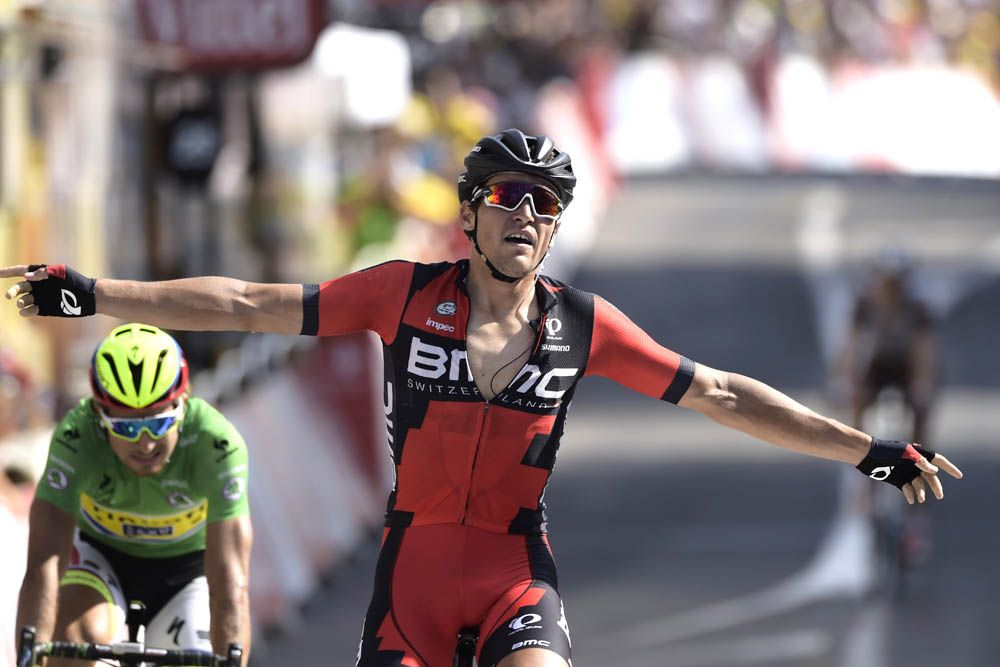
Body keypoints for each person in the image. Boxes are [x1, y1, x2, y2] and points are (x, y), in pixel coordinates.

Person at [3, 129, 961, 667]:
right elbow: (251, 302)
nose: (528, 215)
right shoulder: (404, 294)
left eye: (547, 204)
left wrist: (867, 449)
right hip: (410, 575)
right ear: (469, 212)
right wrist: (99, 293)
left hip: (515, 571)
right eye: (509, 195)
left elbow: (719, 392)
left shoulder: (584, 324)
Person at [13, 323, 252, 667]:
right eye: (125, 426)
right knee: (74, 642)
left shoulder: (216, 444)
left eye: (158, 422)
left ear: (182, 403)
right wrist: (30, 653)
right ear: (98, 414)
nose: (145, 442)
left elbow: (231, 577)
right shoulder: (76, 438)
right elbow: (43, 563)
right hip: (103, 555)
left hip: (188, 569)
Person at [839, 248, 937, 445]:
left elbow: (924, 350)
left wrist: (922, 384)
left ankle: (918, 460)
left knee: (922, 408)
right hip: (879, 362)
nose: (890, 288)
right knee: (858, 400)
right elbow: (852, 345)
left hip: (907, 364)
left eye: (896, 283)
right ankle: (861, 453)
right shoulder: (865, 304)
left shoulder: (917, 308)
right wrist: (847, 380)